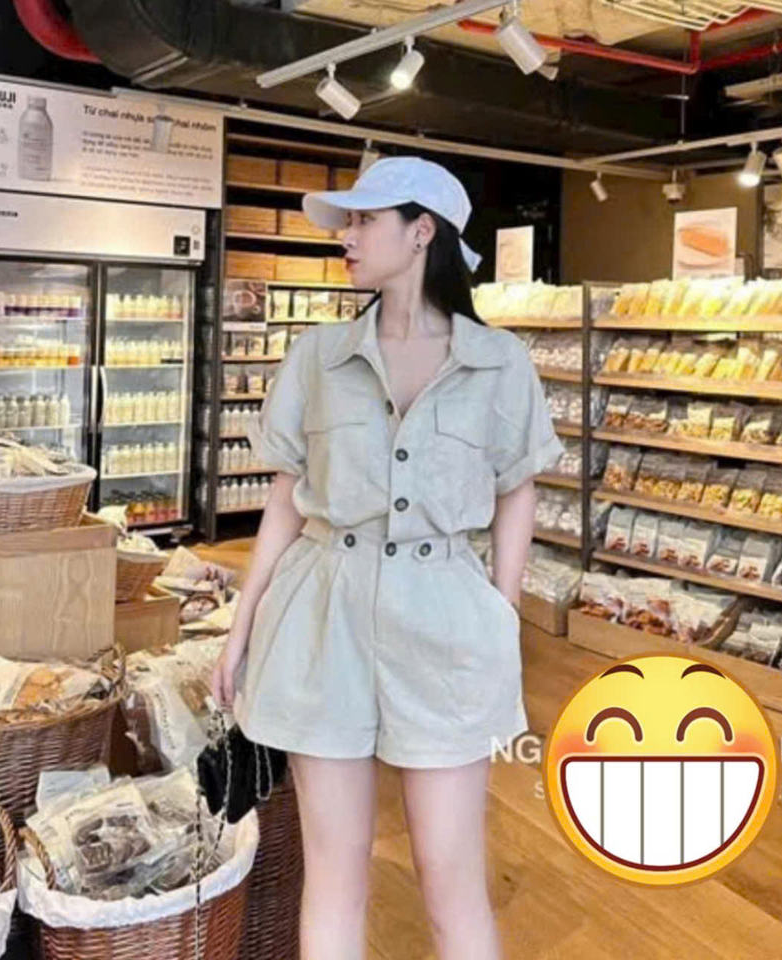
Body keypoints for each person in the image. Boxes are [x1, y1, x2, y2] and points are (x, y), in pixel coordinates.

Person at [211, 155, 564, 960]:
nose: (347, 235)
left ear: (421, 232)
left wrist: (501, 610)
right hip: (322, 611)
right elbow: (285, 497)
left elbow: (518, 488)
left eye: (366, 219)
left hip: (445, 614)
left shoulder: (499, 361)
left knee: (451, 876)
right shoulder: (318, 356)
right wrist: (242, 626)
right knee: (334, 873)